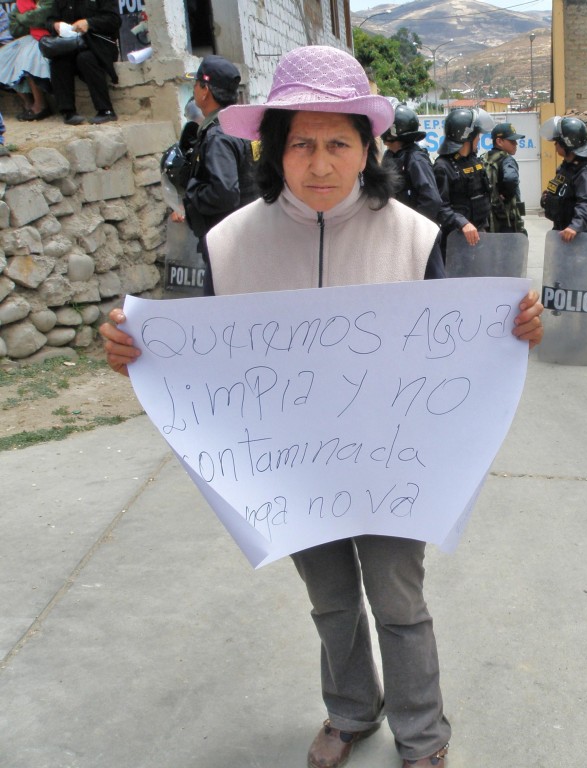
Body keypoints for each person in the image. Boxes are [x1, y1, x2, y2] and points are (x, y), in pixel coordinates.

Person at [99, 45, 544, 768]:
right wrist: (134, 349)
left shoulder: (413, 234)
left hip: (394, 463)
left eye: (338, 143)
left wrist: (517, 330)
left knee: (400, 603)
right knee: (332, 601)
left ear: (367, 149)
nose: (319, 162)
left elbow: (454, 346)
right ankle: (350, 713)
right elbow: (205, 353)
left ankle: (423, 738)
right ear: (274, 151)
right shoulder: (231, 242)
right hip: (291, 468)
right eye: (300, 143)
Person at [172, 55, 259, 296]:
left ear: (205, 91)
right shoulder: (242, 127)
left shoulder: (218, 135)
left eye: (196, 84)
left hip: (226, 242)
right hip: (249, 237)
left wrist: (191, 196)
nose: (194, 89)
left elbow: (225, 194)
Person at [45, 0, 119, 125]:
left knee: (85, 58)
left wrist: (89, 23)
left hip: (99, 44)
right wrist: (55, 25)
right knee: (59, 61)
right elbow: (49, 20)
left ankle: (106, 110)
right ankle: (68, 112)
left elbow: (114, 20)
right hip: (71, 44)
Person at [433, 106, 493, 258]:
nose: (479, 139)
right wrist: (462, 223)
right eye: (477, 135)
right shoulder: (442, 166)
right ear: (467, 136)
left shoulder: (474, 160)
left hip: (480, 236)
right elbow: (440, 208)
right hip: (456, 241)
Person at [540, 115, 587, 241]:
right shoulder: (566, 168)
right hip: (565, 235)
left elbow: (586, 203)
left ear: (567, 145)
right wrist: (547, 199)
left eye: (557, 142)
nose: (555, 145)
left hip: (583, 239)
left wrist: (574, 226)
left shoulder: (586, 174)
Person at [382, 104, 443, 223]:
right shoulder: (390, 155)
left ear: (394, 130)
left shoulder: (415, 160)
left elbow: (432, 200)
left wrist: (414, 227)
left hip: (411, 230)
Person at [2, 0, 52, 121]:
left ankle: (40, 104)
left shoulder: (49, 1)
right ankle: (28, 102)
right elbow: (14, 29)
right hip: (26, 39)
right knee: (4, 58)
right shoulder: (20, 3)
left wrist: (22, 18)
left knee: (28, 58)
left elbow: (42, 18)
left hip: (48, 37)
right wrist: (31, 20)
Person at [483, 121, 526, 234]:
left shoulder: (484, 159)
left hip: (488, 218)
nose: (515, 144)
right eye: (512, 141)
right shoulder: (508, 160)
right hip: (506, 219)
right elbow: (511, 179)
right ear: (499, 141)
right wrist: (506, 196)